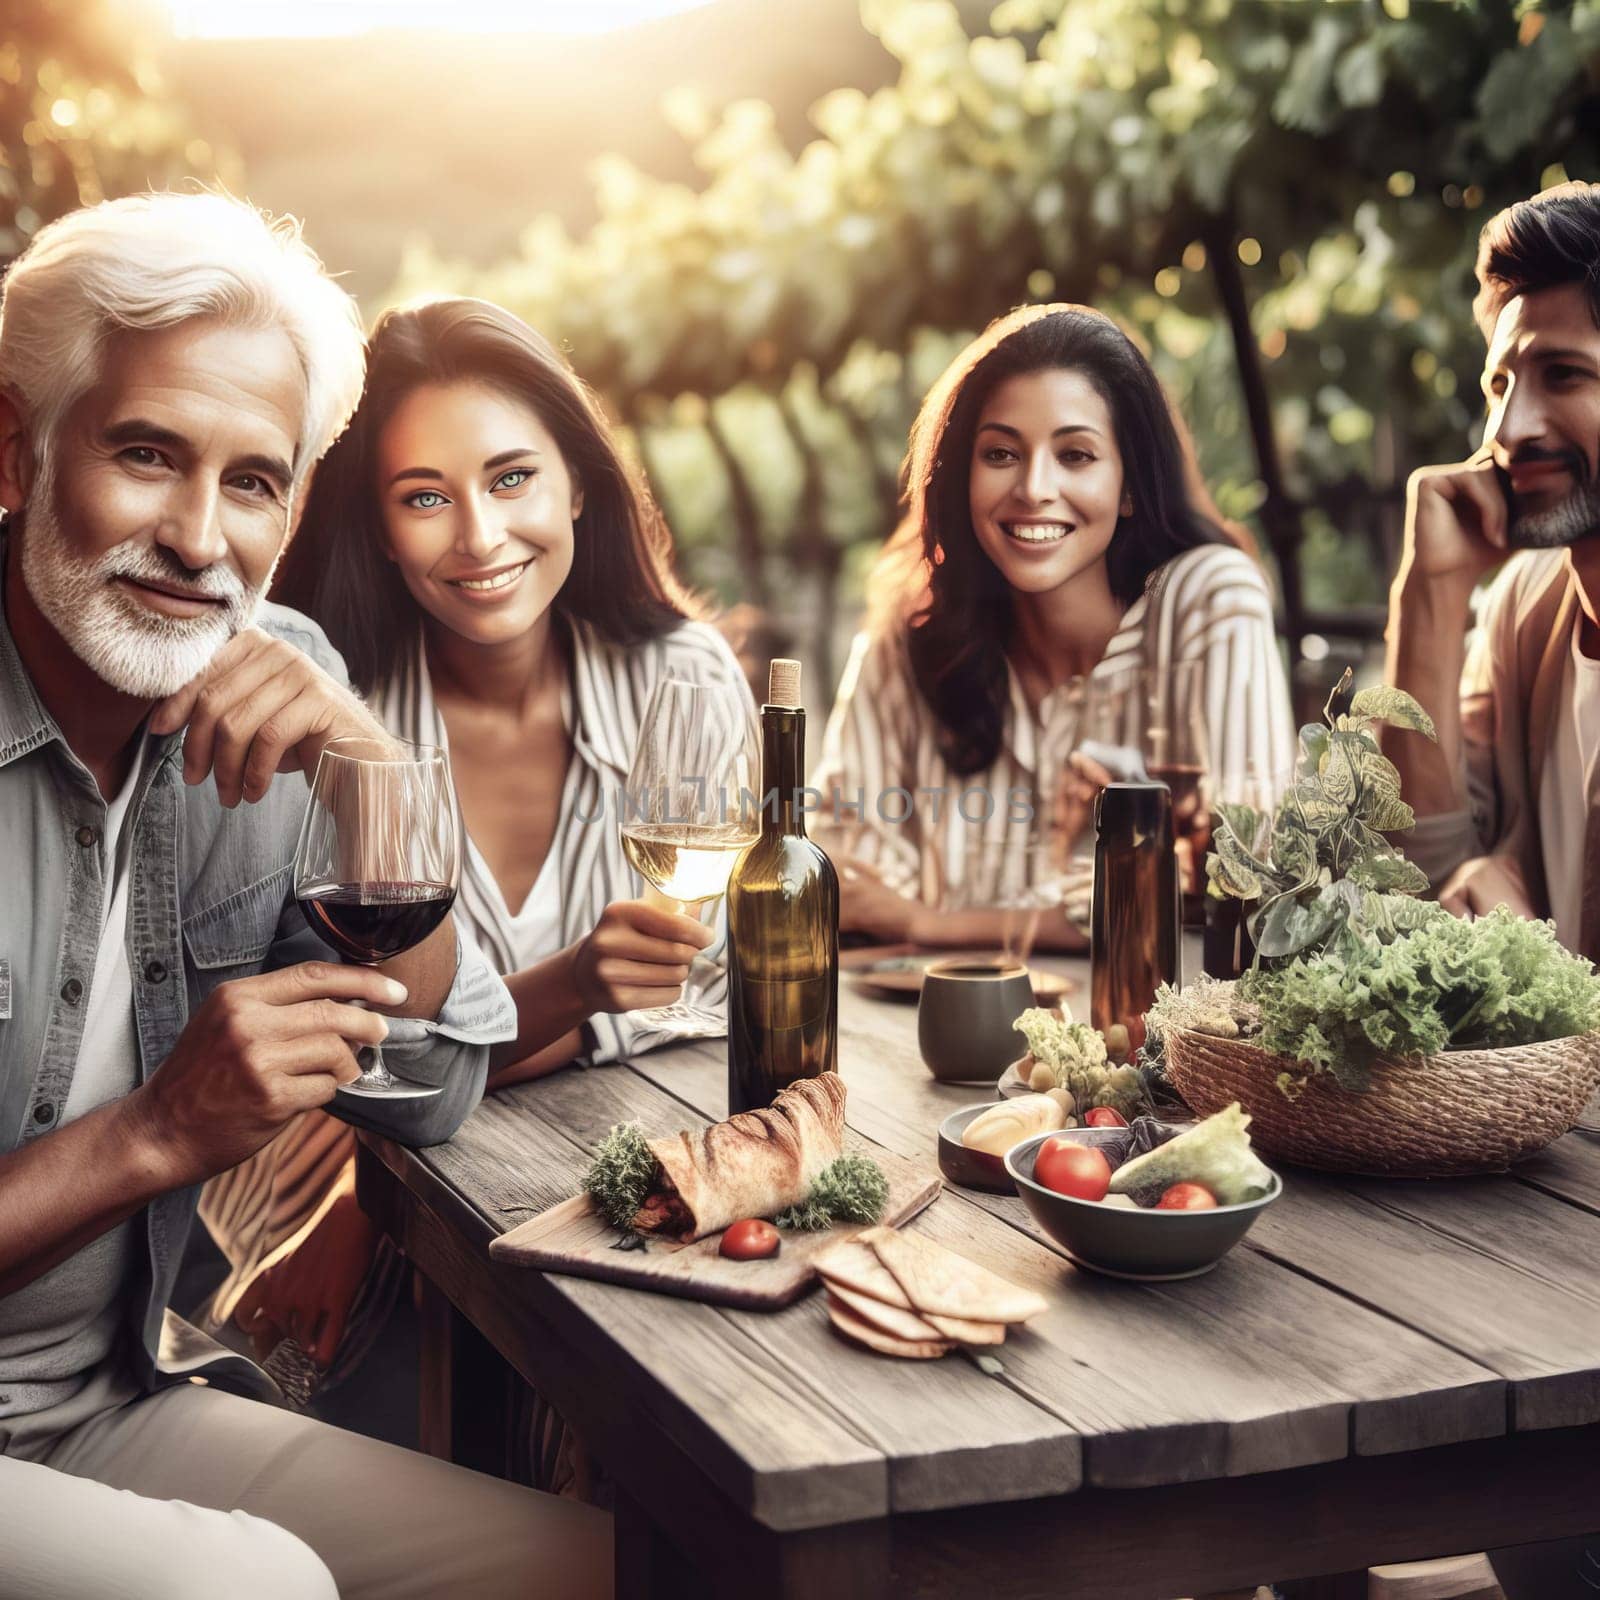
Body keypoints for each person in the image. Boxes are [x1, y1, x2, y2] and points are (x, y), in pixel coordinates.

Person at [0, 194, 609, 1598]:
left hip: (105, 1410)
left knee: (609, 1571)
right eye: (147, 455)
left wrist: (369, 766)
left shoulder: (276, 678)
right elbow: (178, 1132)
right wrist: (157, 1133)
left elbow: (432, 1079)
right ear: (17, 453)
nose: (201, 539)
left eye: (256, 481)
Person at [212, 296, 753, 1398]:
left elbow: (714, 990)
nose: (479, 536)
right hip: (324, 1223)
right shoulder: (323, 712)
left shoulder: (684, 678)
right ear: (376, 523)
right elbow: (341, 1065)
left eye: (512, 478)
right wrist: (580, 999)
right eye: (425, 497)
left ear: (579, 483)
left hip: (562, 1194)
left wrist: (385, 1141)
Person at [814, 302, 1295, 948]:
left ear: (1129, 485)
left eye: (1075, 455)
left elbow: (1250, 884)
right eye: (1001, 454)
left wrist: (932, 922)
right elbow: (845, 884)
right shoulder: (908, 638)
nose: (1035, 487)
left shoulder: (1210, 599)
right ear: (962, 477)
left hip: (1154, 1044)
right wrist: (1116, 888)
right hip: (916, 1040)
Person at [1384, 181, 1600, 964]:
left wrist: (1535, 960)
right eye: (1500, 384)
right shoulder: (1525, 606)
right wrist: (1433, 589)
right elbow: (1414, 885)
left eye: (1565, 375)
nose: (1509, 429)